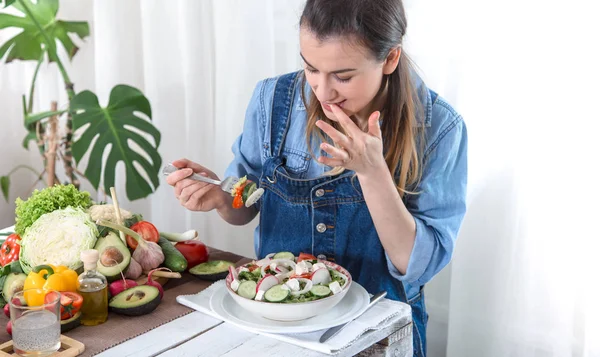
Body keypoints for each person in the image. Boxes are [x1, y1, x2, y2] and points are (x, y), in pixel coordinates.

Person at [166, 0, 467, 355]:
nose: (323, 92)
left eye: (343, 76)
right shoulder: (272, 100)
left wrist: (373, 174)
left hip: (377, 332)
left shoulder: (440, 129)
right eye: (310, 68)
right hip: (276, 326)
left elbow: (416, 266)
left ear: (389, 59)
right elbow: (245, 205)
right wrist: (220, 196)